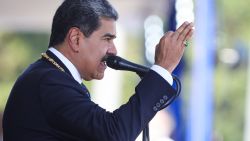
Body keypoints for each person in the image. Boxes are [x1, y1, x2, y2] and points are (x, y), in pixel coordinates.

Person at [2, 0, 194, 141]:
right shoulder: (49, 82)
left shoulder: (51, 76)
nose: (114, 50)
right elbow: (113, 134)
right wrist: (162, 69)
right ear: (76, 39)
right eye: (107, 39)